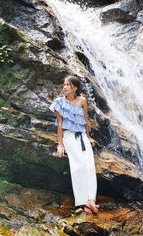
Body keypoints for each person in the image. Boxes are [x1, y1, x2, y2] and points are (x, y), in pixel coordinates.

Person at [49, 75, 98, 214]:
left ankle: (91, 201)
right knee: (79, 165)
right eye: (64, 84)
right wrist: (60, 144)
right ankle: (83, 201)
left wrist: (88, 137)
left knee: (89, 165)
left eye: (68, 85)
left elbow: (86, 120)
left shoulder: (82, 100)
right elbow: (59, 124)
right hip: (69, 136)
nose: (65, 87)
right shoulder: (59, 102)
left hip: (82, 136)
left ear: (75, 87)